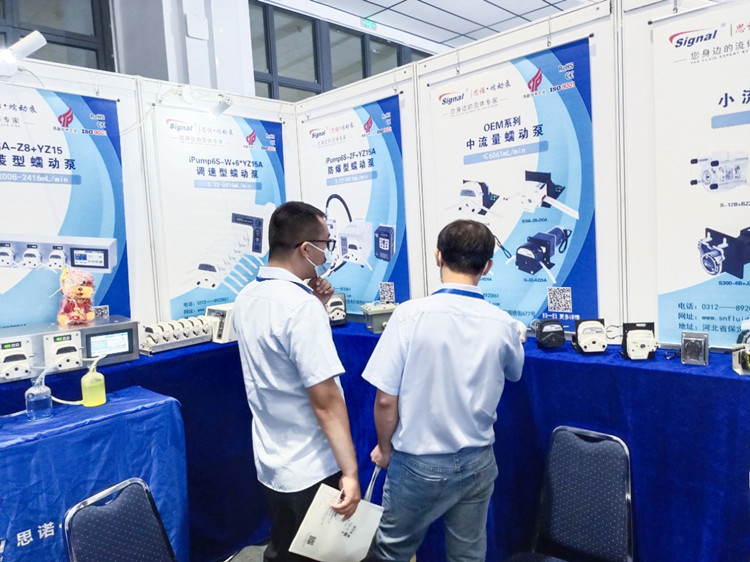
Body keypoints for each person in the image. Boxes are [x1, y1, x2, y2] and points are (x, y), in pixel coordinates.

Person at [362, 219, 525, 562]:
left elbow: (385, 399)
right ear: (488, 266)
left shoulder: (409, 316)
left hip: (417, 462)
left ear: (438, 256)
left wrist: (385, 448)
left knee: (391, 552)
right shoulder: (504, 324)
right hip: (478, 461)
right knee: (468, 555)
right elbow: (514, 373)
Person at [233, 201, 360, 561]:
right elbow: (326, 401)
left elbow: (278, 362)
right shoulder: (299, 307)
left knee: (285, 547)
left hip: (273, 460)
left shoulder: (247, 296)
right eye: (326, 243)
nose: (328, 251)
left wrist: (316, 304)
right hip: (311, 464)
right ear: (306, 249)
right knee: (324, 553)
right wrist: (350, 472)